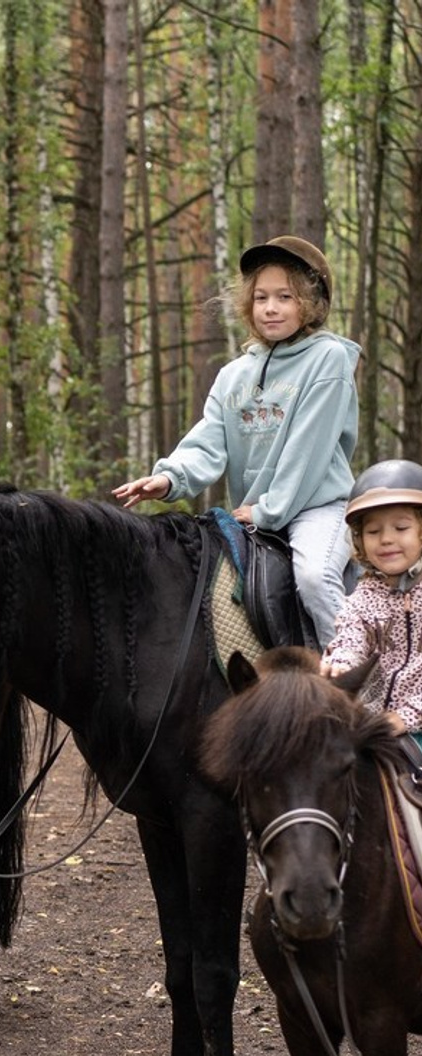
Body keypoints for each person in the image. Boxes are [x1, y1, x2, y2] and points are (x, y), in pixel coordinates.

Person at [113, 235, 361, 648]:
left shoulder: (329, 359)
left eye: (285, 296)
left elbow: (308, 451)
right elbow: (210, 438)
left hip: (316, 508)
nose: (270, 307)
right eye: (261, 296)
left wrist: (269, 510)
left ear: (312, 302)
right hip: (252, 514)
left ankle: (361, 687)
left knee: (315, 577)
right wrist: (171, 478)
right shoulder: (233, 375)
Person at [321, 460, 422, 746]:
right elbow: (351, 635)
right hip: (373, 721)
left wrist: (407, 716)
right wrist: (341, 663)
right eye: (373, 532)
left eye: (401, 527)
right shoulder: (365, 595)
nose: (386, 539)